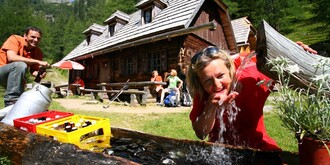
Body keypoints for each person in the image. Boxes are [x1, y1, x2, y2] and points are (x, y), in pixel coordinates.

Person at [187, 46, 281, 150]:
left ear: (230, 69)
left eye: (220, 76)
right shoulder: (202, 94)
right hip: (219, 152)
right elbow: (201, 134)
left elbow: (282, 62)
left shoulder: (253, 79)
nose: (217, 85)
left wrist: (297, 49)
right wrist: (211, 106)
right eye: (208, 81)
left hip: (259, 150)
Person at [0, 26, 49, 107]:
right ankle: (11, 101)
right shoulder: (14, 39)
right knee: (20, 65)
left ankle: (16, 106)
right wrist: (37, 61)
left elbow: (33, 71)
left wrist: (38, 74)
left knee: (22, 99)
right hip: (2, 71)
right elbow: (11, 58)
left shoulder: (38, 52)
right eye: (33, 37)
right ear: (25, 36)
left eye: (38, 38)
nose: (36, 40)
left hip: (15, 78)